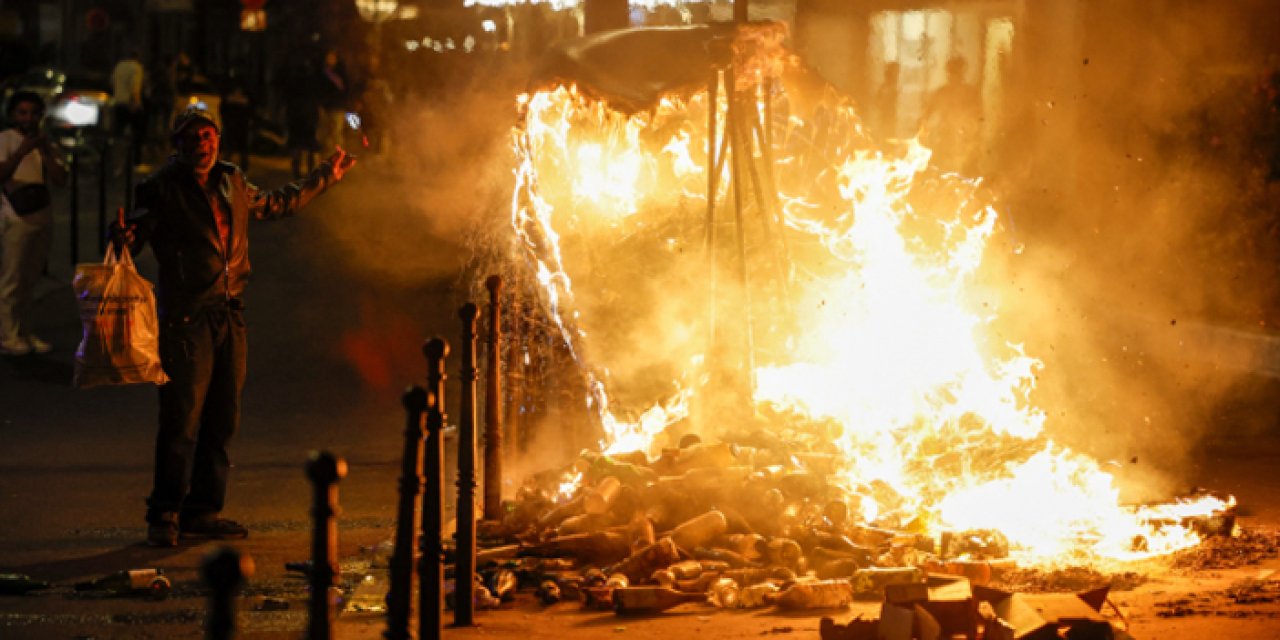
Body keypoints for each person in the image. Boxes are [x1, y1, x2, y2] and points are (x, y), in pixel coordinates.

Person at [113, 105, 356, 546]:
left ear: (218, 140)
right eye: (190, 137)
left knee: (223, 417)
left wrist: (326, 177)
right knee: (182, 418)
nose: (199, 144)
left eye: (206, 136)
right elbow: (139, 231)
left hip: (230, 313)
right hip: (186, 317)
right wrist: (125, 236)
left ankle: (203, 509)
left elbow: (277, 204)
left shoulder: (234, 181)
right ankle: (164, 513)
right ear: (177, 144)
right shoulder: (161, 187)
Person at [0, 91, 68, 356]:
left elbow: (60, 179)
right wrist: (20, 153)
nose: (28, 119)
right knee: (11, 279)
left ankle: (25, 332)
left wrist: (46, 151)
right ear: (12, 114)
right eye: (22, 113)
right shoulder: (5, 139)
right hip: (14, 216)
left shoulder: (45, 144)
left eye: (33, 113)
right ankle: (8, 335)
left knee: (30, 279)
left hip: (41, 215)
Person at [922, 56, 983, 174]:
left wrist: (973, 139)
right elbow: (927, 116)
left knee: (966, 175)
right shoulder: (942, 93)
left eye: (957, 72)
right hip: (945, 142)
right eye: (952, 72)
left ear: (962, 73)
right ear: (948, 73)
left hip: (965, 143)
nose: (954, 75)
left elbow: (978, 118)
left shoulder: (970, 94)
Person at [111, 47, 148, 166]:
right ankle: (137, 161)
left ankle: (115, 160)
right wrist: (136, 103)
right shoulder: (136, 67)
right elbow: (135, 86)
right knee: (138, 133)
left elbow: (112, 82)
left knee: (118, 133)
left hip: (119, 102)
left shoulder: (119, 66)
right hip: (130, 103)